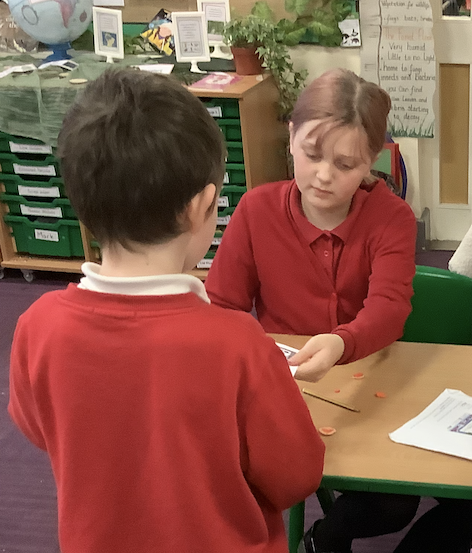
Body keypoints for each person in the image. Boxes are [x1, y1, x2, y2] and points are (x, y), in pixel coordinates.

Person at [8, 68, 326, 553]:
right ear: (203, 206)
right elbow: (296, 477)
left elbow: (40, 428)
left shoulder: (38, 326)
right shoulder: (237, 344)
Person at [205, 68, 420, 552]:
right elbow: (223, 307)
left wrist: (342, 342)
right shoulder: (256, 211)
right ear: (291, 137)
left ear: (371, 160)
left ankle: (325, 536)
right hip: (284, 388)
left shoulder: (392, 218)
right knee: (251, 472)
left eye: (345, 164)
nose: (323, 175)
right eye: (311, 154)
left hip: (366, 380)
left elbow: (389, 307)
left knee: (395, 501)